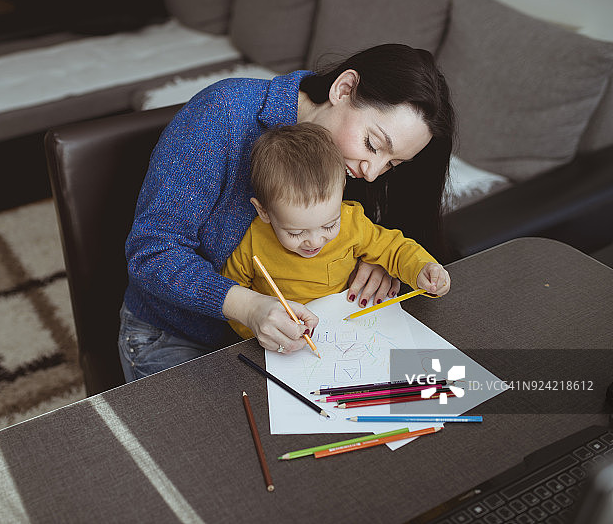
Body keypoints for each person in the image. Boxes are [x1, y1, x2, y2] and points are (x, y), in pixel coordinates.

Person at [119, 43, 456, 382]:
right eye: (372, 144)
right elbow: (151, 252)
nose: (372, 173)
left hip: (284, 336)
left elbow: (368, 229)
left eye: (393, 164)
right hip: (176, 333)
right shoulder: (222, 114)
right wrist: (248, 306)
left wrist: (375, 259)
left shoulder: (350, 159)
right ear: (343, 89)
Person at [221, 122, 451, 344]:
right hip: (281, 344)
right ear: (264, 211)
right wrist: (258, 332)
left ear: (342, 190)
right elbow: (231, 297)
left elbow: (394, 249)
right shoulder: (252, 241)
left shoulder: (352, 222)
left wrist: (423, 269)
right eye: (296, 232)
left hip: (349, 330)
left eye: (330, 225)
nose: (315, 241)